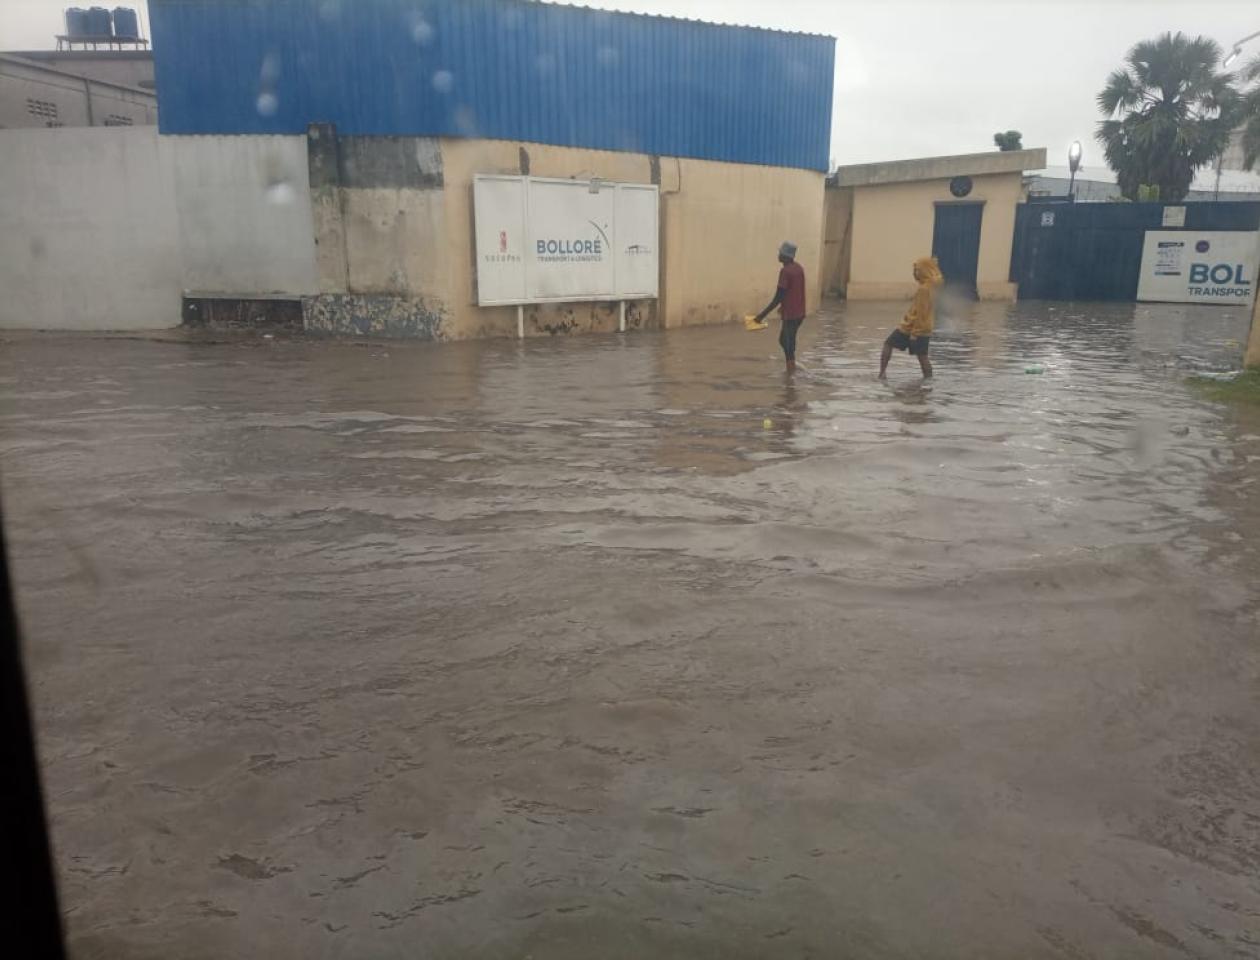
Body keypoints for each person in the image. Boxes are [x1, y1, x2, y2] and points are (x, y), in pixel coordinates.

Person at [879, 256, 943, 380]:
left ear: (925, 271)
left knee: (919, 355)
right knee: (921, 356)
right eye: (914, 270)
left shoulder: (924, 289)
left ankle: (882, 374)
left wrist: (915, 334)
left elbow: (922, 313)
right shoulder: (930, 286)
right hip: (918, 327)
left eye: (918, 270)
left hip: (914, 328)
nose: (915, 273)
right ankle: (928, 381)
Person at [753, 241, 807, 375]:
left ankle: (790, 375)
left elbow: (778, 297)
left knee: (786, 343)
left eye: (780, 253)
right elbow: (795, 292)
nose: (779, 255)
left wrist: (761, 316)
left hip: (791, 315)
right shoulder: (798, 268)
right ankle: (792, 367)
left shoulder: (785, 271)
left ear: (786, 256)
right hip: (799, 313)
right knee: (786, 340)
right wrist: (784, 306)